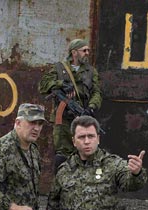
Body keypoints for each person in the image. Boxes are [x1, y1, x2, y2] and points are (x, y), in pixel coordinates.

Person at [38, 39, 102, 172]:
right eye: (84, 50)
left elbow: (97, 92)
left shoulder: (91, 71)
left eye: (88, 50)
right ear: (74, 52)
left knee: (84, 152)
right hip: (63, 120)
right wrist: (60, 84)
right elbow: (43, 85)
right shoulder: (59, 68)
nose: (87, 53)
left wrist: (91, 107)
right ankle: (60, 181)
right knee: (62, 154)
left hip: (82, 117)